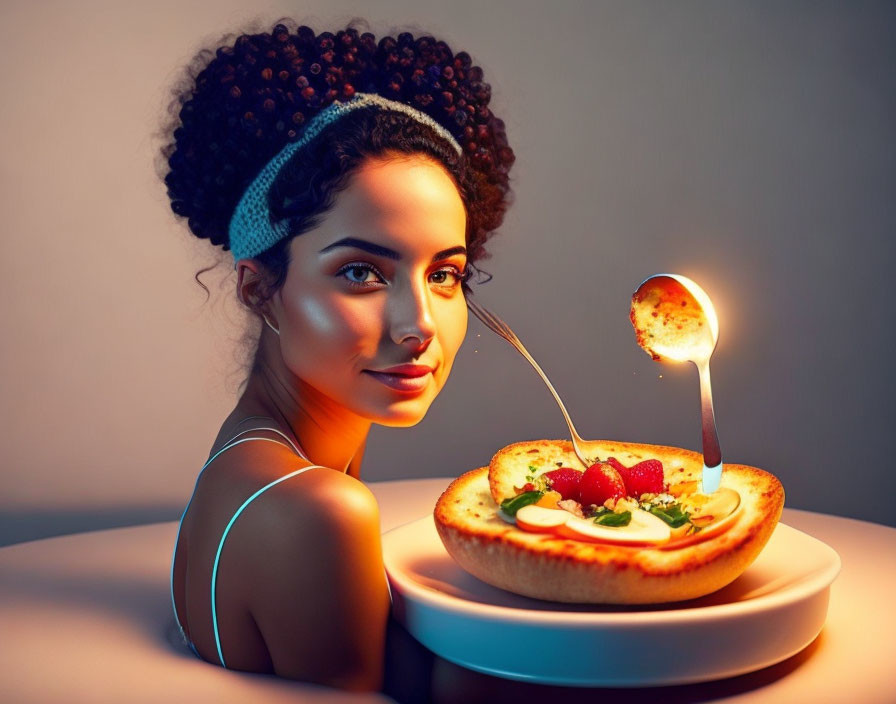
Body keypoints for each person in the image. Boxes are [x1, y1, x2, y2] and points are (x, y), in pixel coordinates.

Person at [160, 18, 515, 699]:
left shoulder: (264, 455)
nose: (419, 327)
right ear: (260, 287)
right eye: (361, 273)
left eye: (445, 276)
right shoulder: (320, 509)